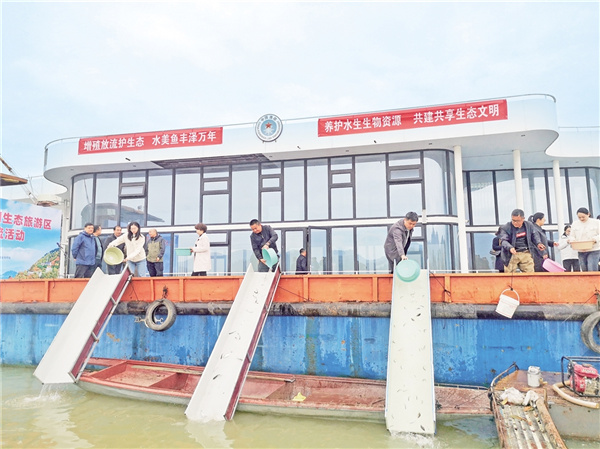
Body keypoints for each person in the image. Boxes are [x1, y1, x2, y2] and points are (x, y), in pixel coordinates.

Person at [498, 209, 546, 273]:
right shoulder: (506, 227)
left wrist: (538, 243)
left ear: (523, 219)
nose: (515, 223)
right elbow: (504, 241)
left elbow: (534, 235)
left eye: (517, 221)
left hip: (525, 252)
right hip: (511, 254)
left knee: (530, 273)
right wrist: (510, 247)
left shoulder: (529, 225)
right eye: (513, 220)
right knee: (510, 275)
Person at [569, 207, 600, 272]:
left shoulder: (596, 222)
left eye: (583, 217)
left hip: (594, 249)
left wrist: (595, 239)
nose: (581, 219)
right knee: (584, 269)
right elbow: (572, 236)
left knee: (591, 268)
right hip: (581, 250)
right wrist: (572, 240)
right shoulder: (575, 224)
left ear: (588, 214)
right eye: (579, 217)